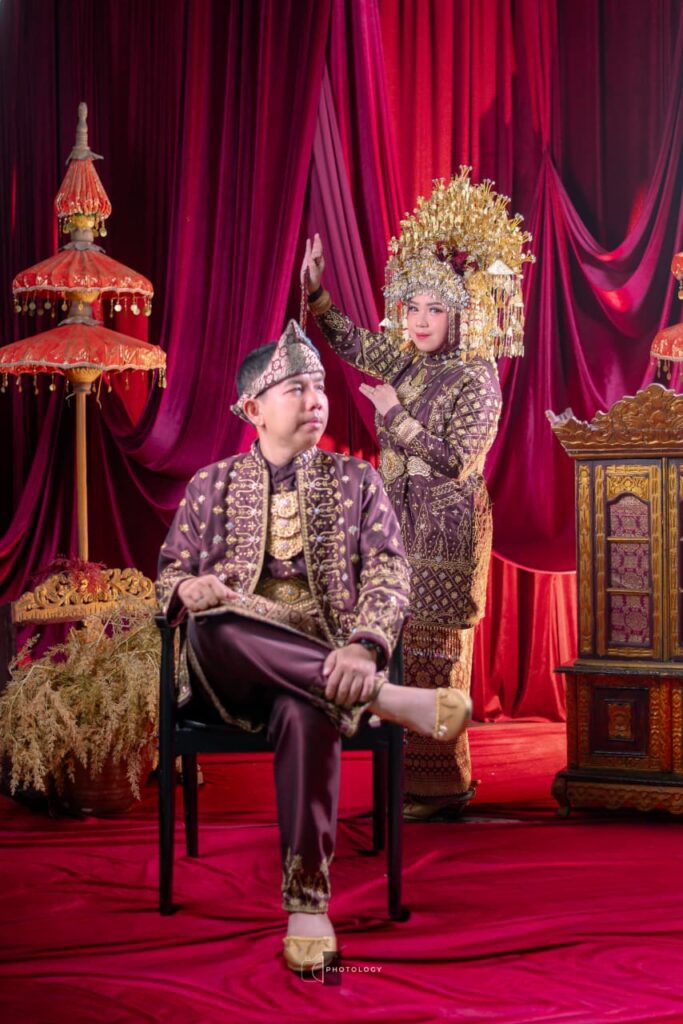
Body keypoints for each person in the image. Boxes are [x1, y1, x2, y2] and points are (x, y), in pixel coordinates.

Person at [156, 319, 472, 972]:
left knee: (306, 712)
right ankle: (387, 699)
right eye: (296, 389)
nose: (315, 401)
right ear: (253, 410)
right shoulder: (210, 485)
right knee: (216, 621)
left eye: (320, 387)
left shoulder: (358, 482)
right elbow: (167, 574)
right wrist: (186, 588)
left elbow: (389, 573)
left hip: (327, 672)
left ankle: (308, 904)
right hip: (228, 671)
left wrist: (364, 646)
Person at [300, 170, 533, 821]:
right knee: (398, 657)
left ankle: (443, 787)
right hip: (398, 531)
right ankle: (407, 784)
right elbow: (352, 343)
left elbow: (457, 459)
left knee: (435, 655)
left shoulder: (476, 376)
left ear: (459, 313)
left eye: (434, 308)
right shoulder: (407, 361)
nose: (420, 320)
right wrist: (315, 293)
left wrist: (395, 417)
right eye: (412, 308)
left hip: (448, 533)